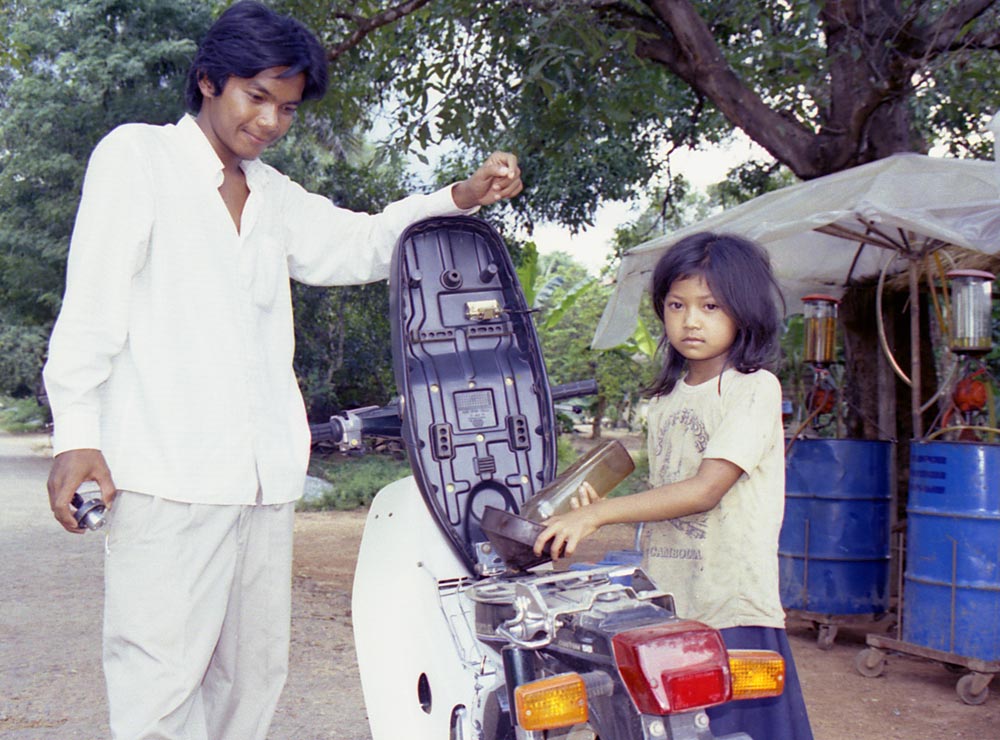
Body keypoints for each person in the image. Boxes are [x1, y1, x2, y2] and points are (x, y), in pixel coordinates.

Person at [42, 2, 522, 739]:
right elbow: (93, 309)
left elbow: (360, 244)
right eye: (255, 96)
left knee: (252, 682)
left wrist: (455, 197)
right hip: (165, 477)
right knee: (158, 683)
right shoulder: (138, 158)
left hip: (263, 483)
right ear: (208, 80)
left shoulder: (271, 195)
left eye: (287, 108)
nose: (269, 121)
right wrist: (77, 434)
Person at [533, 232, 813, 739]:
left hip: (732, 604)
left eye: (711, 305)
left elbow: (705, 489)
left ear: (744, 311)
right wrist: (588, 501)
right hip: (670, 604)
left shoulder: (752, 388)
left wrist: (598, 514)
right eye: (676, 305)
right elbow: (667, 485)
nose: (691, 320)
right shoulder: (665, 398)